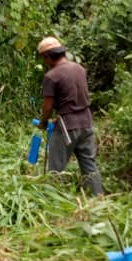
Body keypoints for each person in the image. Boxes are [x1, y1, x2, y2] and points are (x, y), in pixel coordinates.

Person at [36, 36, 103, 196]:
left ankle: (50, 200)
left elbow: (47, 105)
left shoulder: (52, 76)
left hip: (67, 126)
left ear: (47, 57)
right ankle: (98, 198)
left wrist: (43, 122)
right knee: (89, 165)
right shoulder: (79, 68)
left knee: (55, 167)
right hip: (86, 122)